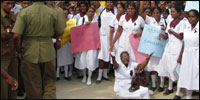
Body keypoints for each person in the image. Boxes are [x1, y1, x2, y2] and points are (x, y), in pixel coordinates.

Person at [12, 1, 65, 99]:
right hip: (48, 50)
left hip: (30, 51)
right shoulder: (53, 12)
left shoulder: (24, 12)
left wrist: (18, 51)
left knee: (33, 84)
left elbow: (16, 35)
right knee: (49, 82)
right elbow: (60, 30)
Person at [155, 5, 186, 95]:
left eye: (174, 12)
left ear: (179, 12)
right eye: (171, 11)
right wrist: (163, 36)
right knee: (165, 65)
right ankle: (163, 85)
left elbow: (181, 37)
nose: (172, 13)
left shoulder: (182, 23)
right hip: (169, 46)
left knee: (173, 68)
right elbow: (167, 35)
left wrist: (173, 32)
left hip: (177, 47)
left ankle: (171, 87)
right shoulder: (170, 22)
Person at [139, 2, 167, 92]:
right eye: (154, 13)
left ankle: (162, 85)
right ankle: (154, 84)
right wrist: (142, 3)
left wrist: (164, 30)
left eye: (157, 13)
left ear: (160, 13)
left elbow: (168, 32)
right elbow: (140, 13)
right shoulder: (150, 20)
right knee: (152, 67)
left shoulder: (165, 21)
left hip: (161, 47)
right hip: (152, 47)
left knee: (161, 66)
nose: (156, 15)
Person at [110, 2, 145, 68]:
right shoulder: (123, 17)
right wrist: (113, 43)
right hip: (123, 42)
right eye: (129, 8)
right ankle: (122, 75)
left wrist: (141, 33)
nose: (130, 10)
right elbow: (119, 31)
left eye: (132, 8)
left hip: (135, 44)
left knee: (134, 59)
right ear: (126, 9)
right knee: (122, 58)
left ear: (135, 9)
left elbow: (146, 31)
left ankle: (134, 76)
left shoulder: (140, 19)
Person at [173, 9, 199, 99]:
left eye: (193, 16)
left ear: (197, 17)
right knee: (187, 76)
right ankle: (188, 96)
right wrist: (180, 56)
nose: (191, 19)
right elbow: (184, 42)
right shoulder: (187, 28)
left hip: (196, 55)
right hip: (187, 56)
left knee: (196, 76)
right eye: (189, 17)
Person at [76, 7, 99, 85]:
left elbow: (97, 34)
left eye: (93, 11)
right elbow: (77, 32)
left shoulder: (96, 21)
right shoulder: (81, 20)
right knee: (83, 60)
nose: (91, 13)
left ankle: (89, 77)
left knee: (91, 61)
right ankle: (84, 76)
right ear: (87, 12)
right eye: (89, 11)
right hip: (84, 44)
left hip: (92, 44)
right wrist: (85, 26)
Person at [1, 1, 18, 99]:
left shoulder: (12, 15)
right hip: (3, 56)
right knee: (4, 87)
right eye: (7, 3)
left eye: (12, 4)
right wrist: (13, 31)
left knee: (14, 85)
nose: (10, 6)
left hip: (12, 53)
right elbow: (3, 36)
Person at [96, 1, 117, 84]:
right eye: (108, 2)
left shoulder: (116, 10)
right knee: (102, 56)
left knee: (109, 55)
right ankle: (99, 76)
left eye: (111, 2)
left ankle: (105, 74)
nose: (109, 4)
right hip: (103, 37)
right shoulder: (102, 9)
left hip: (113, 36)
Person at [56, 8, 75, 81]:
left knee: (67, 58)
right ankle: (57, 75)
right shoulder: (58, 21)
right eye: (64, 13)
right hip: (60, 41)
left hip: (68, 42)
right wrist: (59, 40)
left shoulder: (71, 21)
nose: (65, 14)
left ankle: (66, 75)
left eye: (66, 13)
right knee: (59, 58)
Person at [109, 2, 125, 70]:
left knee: (123, 55)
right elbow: (111, 32)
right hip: (115, 40)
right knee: (115, 56)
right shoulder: (114, 18)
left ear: (124, 9)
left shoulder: (126, 17)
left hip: (124, 39)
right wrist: (111, 44)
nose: (119, 9)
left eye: (120, 7)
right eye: (117, 8)